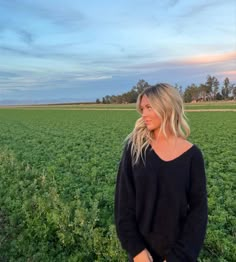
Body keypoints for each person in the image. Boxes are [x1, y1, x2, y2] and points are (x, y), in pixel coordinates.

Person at [114, 83, 208, 262]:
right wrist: (137, 251)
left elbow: (198, 212)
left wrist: (178, 257)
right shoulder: (135, 149)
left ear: (167, 105)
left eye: (149, 107)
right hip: (142, 256)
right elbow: (123, 206)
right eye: (142, 108)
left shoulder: (193, 156)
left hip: (178, 256)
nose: (144, 114)